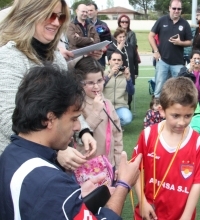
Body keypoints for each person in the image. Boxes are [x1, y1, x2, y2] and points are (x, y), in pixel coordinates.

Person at [0, 65, 142, 219]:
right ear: (50, 119)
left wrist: (75, 198)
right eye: (74, 119)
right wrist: (123, 184)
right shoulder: (50, 182)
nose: (78, 127)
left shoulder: (10, 154)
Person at [0, 0, 96, 170]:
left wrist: (83, 131)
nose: (56, 22)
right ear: (31, 13)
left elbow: (68, 103)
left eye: (61, 17)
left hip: (48, 164)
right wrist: (54, 151)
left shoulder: (56, 57)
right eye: (50, 15)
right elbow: (7, 118)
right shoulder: (9, 56)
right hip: (21, 164)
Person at [132, 77, 200, 220]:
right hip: (148, 212)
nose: (182, 122)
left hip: (180, 216)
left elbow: (196, 183)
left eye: (188, 116)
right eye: (175, 115)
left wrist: (187, 216)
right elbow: (135, 170)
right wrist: (142, 202)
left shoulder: (198, 143)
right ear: (161, 110)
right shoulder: (148, 135)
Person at [73, 56, 123, 170]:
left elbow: (117, 136)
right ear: (80, 83)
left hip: (109, 165)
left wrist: (118, 165)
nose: (96, 86)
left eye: (99, 81)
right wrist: (95, 111)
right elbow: (79, 137)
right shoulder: (77, 106)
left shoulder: (108, 104)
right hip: (88, 168)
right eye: (90, 83)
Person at [148, 0, 193, 98]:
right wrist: (155, 51)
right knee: (159, 89)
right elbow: (150, 36)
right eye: (174, 8)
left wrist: (180, 43)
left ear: (181, 10)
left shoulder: (185, 24)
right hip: (162, 60)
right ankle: (156, 110)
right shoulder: (161, 20)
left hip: (178, 63)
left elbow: (190, 42)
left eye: (179, 9)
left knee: (177, 91)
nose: (176, 11)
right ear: (169, 8)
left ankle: (174, 111)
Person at [106, 27, 138, 109]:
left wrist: (136, 72)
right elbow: (111, 58)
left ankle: (127, 109)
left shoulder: (130, 46)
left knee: (130, 93)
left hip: (128, 73)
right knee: (120, 93)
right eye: (120, 37)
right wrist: (119, 48)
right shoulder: (111, 47)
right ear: (115, 37)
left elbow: (135, 60)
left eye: (124, 36)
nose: (122, 38)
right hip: (117, 74)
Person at [103, 52, 134, 127]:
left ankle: (115, 126)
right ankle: (112, 126)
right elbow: (99, 88)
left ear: (122, 62)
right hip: (105, 105)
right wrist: (110, 75)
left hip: (120, 105)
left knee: (127, 118)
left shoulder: (125, 74)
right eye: (114, 60)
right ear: (109, 61)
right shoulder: (103, 73)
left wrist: (128, 79)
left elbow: (131, 92)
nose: (116, 62)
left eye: (119, 60)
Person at [179, 50, 200, 116]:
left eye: (198, 58)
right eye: (194, 58)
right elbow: (179, 80)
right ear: (190, 59)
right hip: (187, 100)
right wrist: (189, 71)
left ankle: (199, 118)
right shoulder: (185, 69)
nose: (196, 60)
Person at [87, 2, 111, 67]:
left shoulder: (103, 25)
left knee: (100, 76)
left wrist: (105, 48)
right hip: (87, 58)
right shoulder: (84, 24)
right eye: (88, 11)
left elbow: (108, 40)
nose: (89, 12)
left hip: (100, 57)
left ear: (96, 11)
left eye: (91, 10)